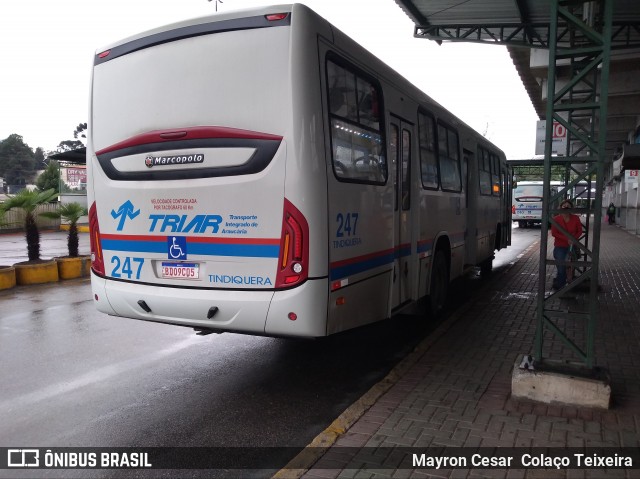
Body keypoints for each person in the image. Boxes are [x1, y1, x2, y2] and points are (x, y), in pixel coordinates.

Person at [550, 199, 583, 290]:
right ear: (560, 207)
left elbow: (579, 231)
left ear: (571, 208)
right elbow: (554, 233)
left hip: (572, 246)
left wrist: (573, 239)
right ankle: (561, 288)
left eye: (568, 206)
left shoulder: (576, 218)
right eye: (564, 206)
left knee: (570, 267)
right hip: (560, 246)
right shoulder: (556, 219)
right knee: (561, 267)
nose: (566, 208)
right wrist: (567, 239)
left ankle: (568, 286)